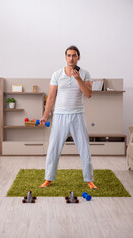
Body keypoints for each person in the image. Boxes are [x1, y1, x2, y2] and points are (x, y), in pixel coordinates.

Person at [39, 45, 98, 190]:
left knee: (84, 147)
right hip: (59, 115)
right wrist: (45, 116)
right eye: (69, 55)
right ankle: (48, 178)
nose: (71, 58)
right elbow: (51, 97)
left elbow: (89, 94)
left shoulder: (84, 74)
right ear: (66, 57)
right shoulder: (57, 74)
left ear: (78, 57)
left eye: (74, 55)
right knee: (53, 148)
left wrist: (78, 79)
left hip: (77, 115)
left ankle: (89, 179)